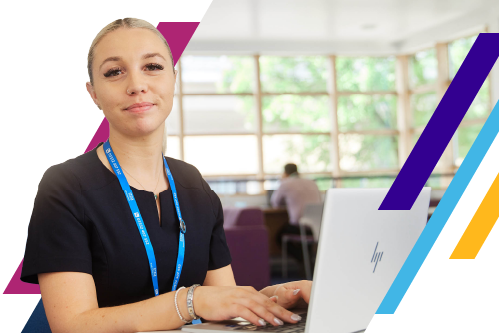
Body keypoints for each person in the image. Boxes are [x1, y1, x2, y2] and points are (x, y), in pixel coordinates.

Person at [20, 17, 311, 333]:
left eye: (152, 67)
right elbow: (72, 325)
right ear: (93, 93)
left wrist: (271, 300)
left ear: (173, 79)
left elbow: (221, 306)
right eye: (114, 72)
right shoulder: (64, 187)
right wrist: (190, 301)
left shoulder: (194, 185)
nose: (136, 85)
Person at [271, 163, 322, 276]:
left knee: (279, 236)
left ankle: (305, 262)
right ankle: (308, 265)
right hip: (317, 227)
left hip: (300, 226)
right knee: (305, 240)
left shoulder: (285, 184)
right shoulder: (312, 183)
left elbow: (275, 203)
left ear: (285, 173)